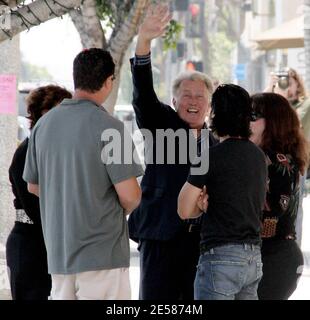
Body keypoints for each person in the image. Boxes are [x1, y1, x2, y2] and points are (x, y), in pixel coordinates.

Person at [23, 48, 144, 300]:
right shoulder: (111, 128)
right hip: (103, 255)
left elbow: (33, 187)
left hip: (59, 254)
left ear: (76, 77)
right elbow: (131, 196)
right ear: (109, 81)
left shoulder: (43, 126)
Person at [128, 3, 217, 300]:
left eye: (200, 96)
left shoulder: (215, 142)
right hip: (159, 236)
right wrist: (144, 42)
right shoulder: (161, 124)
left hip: (201, 243)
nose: (193, 101)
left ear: (209, 104)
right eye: (186, 95)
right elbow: (142, 94)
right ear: (175, 100)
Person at [178, 84, 267, 300]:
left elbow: (183, 209)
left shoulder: (208, 156)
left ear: (214, 114)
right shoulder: (259, 157)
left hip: (220, 256)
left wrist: (199, 207)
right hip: (253, 256)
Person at [6, 85, 72, 300]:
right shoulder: (27, 151)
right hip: (29, 246)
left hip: (47, 246)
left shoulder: (54, 151)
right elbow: (35, 207)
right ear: (41, 114)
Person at [250, 93, 309, 300]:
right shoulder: (272, 158)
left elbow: (271, 212)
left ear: (274, 122)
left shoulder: (277, 161)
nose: (245, 120)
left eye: (253, 115)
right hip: (276, 257)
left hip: (275, 259)